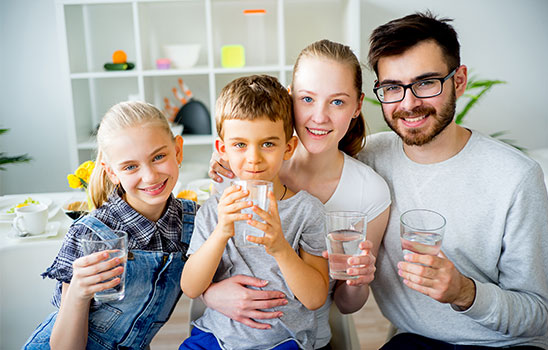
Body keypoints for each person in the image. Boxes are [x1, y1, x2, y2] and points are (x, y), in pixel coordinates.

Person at [357, 12, 548, 349]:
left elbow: (538, 313)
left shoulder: (516, 177)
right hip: (415, 341)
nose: (409, 103)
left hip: (505, 345)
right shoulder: (368, 160)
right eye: (392, 87)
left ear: (458, 81)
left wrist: (464, 292)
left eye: (426, 82)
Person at [207, 40, 391, 349]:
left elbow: (346, 305)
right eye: (307, 99)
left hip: (299, 338)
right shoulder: (245, 168)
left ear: (357, 106)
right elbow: (208, 258)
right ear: (290, 96)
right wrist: (211, 294)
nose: (319, 117)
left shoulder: (369, 192)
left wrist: (358, 283)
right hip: (228, 332)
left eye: (337, 102)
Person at [23, 101, 197, 350]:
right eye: (130, 166)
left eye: (158, 157)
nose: (149, 176)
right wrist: (78, 293)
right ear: (112, 172)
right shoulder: (88, 233)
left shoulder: (191, 220)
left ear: (178, 151)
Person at [179, 74, 329, 350]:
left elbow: (315, 298)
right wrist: (222, 232)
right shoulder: (213, 211)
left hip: (283, 341)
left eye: (268, 144)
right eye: (240, 144)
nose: (254, 158)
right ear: (222, 149)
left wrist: (280, 247)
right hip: (216, 338)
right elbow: (190, 287)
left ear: (289, 147)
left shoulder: (306, 211)